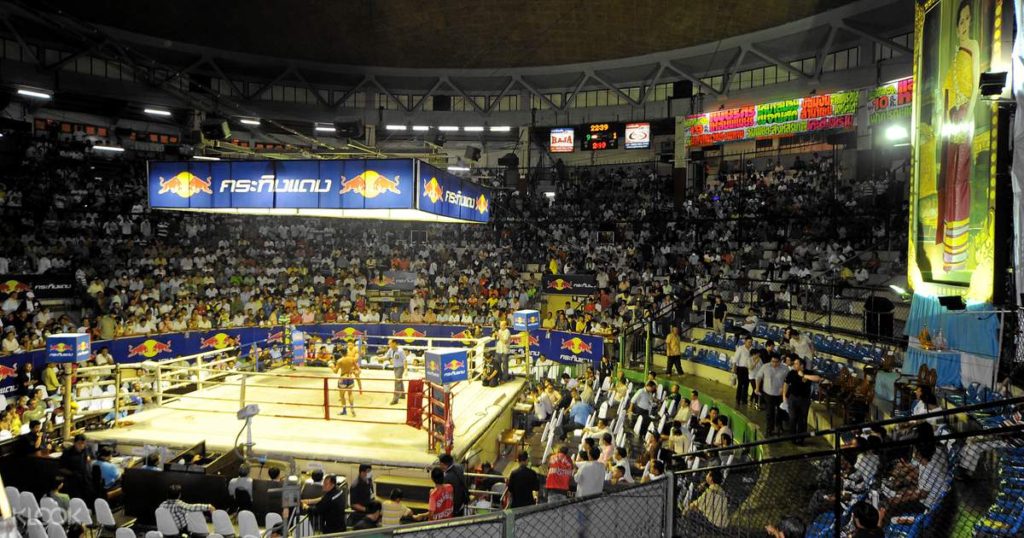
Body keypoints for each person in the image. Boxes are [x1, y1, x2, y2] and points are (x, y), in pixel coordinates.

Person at [935, 0, 979, 272]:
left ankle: (960, 253)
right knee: (950, 181)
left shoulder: (972, 46)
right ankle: (950, 254)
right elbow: (947, 92)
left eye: (967, 20)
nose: (964, 25)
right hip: (951, 120)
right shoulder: (953, 53)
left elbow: (974, 88)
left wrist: (968, 117)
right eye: (960, 21)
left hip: (964, 117)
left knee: (960, 181)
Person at [782, 357, 821, 445]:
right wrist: (784, 395)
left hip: (804, 399)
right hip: (793, 398)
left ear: (802, 365)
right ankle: (792, 438)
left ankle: (801, 438)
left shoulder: (808, 372)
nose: (794, 365)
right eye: (794, 364)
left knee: (802, 419)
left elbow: (818, 378)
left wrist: (803, 375)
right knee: (792, 418)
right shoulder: (791, 373)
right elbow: (786, 384)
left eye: (796, 364)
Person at [753, 353, 790, 436]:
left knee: (780, 411)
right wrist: (757, 387)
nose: (774, 364)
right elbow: (758, 377)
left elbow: (788, 381)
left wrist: (784, 390)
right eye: (772, 361)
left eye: (776, 362)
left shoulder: (785, 369)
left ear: (780, 362)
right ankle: (769, 429)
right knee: (770, 412)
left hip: (779, 394)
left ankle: (779, 427)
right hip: (768, 393)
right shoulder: (765, 367)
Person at [333, 342, 360, 416]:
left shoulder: (340, 361)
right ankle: (352, 409)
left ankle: (344, 411)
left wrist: (331, 366)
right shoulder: (352, 359)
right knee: (350, 394)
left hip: (343, 378)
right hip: (350, 377)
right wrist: (355, 372)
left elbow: (335, 371)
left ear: (341, 353)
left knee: (342, 396)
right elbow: (358, 369)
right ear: (347, 352)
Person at [731, 336, 753, 405]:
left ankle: (744, 399)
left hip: (748, 369)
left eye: (751, 342)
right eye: (749, 342)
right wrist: (734, 368)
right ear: (745, 342)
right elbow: (735, 359)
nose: (750, 343)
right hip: (740, 369)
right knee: (740, 384)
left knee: (746, 385)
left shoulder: (752, 349)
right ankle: (738, 399)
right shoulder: (740, 348)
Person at [384, 340, 406, 405]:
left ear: (394, 343)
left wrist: (406, 369)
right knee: (399, 380)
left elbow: (405, 360)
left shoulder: (400, 351)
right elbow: (386, 357)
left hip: (400, 368)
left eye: (390, 343)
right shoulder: (390, 350)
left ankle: (395, 399)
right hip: (395, 367)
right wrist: (379, 358)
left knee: (397, 382)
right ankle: (402, 394)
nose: (389, 345)